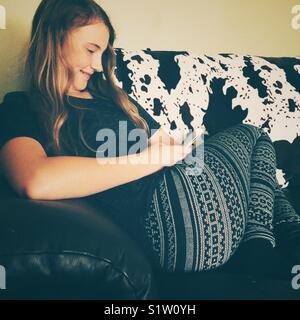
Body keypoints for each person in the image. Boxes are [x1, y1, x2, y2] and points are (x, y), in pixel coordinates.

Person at [0, 0, 299, 280]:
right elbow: (35, 180)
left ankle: (281, 234)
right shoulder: (21, 106)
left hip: (196, 211)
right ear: (54, 37)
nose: (96, 65)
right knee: (253, 133)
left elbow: (167, 144)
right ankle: (266, 237)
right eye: (90, 50)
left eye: (103, 54)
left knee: (252, 162)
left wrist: (172, 152)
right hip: (173, 215)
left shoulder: (111, 97)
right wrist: (151, 159)